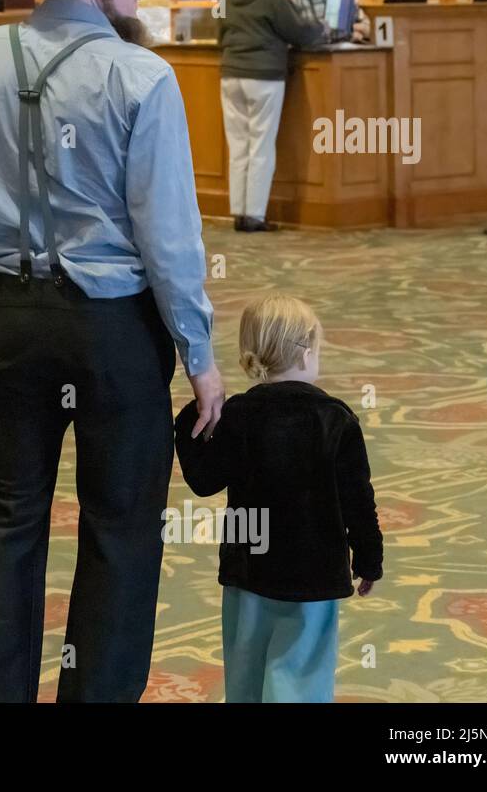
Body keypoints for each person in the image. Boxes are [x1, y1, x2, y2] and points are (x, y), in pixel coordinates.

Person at [0, 0, 224, 703]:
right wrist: (200, 357)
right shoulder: (142, 76)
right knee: (121, 531)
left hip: (13, 324)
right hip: (116, 331)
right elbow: (169, 240)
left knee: (6, 520)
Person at [173, 294, 383, 702]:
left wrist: (188, 419)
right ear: (306, 355)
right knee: (301, 673)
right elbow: (359, 499)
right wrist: (369, 558)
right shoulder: (336, 420)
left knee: (247, 671)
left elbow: (203, 479)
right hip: (314, 574)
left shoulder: (237, 415)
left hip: (248, 570)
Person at [219, 0, 325, 233]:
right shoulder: (273, 0)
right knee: (261, 146)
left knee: (238, 145)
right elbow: (300, 32)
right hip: (263, 76)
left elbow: (220, 33)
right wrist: (323, 29)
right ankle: (254, 215)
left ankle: (238, 212)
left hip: (230, 75)